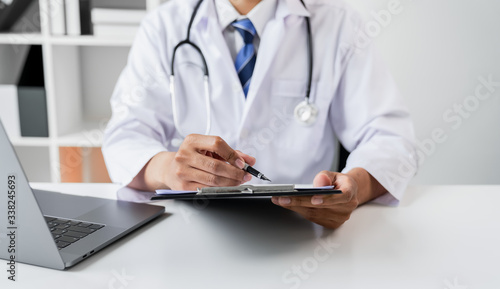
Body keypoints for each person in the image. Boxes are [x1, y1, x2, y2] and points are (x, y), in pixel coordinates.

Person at [102, 0, 418, 229]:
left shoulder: (339, 24)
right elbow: (125, 135)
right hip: (190, 227)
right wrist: (169, 168)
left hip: (302, 231)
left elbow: (391, 140)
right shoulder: (163, 27)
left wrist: (353, 188)